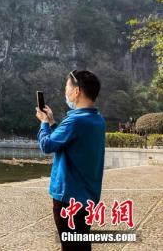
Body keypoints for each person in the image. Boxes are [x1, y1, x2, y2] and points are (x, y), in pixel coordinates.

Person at [35, 70, 105, 251]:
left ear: (77, 92)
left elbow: (47, 145)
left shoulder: (74, 121)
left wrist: (43, 122)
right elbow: (68, 141)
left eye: (67, 88)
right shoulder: (97, 119)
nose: (65, 92)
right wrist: (52, 123)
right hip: (87, 196)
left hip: (68, 197)